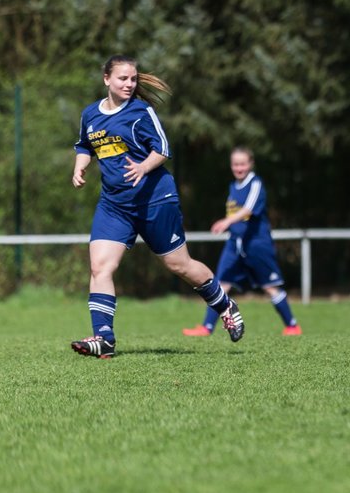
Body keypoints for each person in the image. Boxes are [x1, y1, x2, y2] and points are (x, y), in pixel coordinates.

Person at [70, 55, 243, 358]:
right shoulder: (90, 114)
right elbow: (86, 145)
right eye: (123, 78)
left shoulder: (141, 111)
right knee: (100, 266)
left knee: (179, 265)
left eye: (133, 79)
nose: (129, 84)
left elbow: (162, 149)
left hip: (154, 202)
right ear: (106, 79)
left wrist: (142, 168)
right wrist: (80, 167)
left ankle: (225, 305)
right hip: (115, 206)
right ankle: (104, 338)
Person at [183, 147, 300, 336]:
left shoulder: (255, 183)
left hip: (256, 243)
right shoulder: (232, 186)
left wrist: (226, 222)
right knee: (221, 285)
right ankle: (207, 327)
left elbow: (248, 210)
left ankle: (292, 325)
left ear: (251, 164)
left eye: (243, 163)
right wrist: (230, 226)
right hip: (234, 243)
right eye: (236, 164)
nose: (239, 168)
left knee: (270, 287)